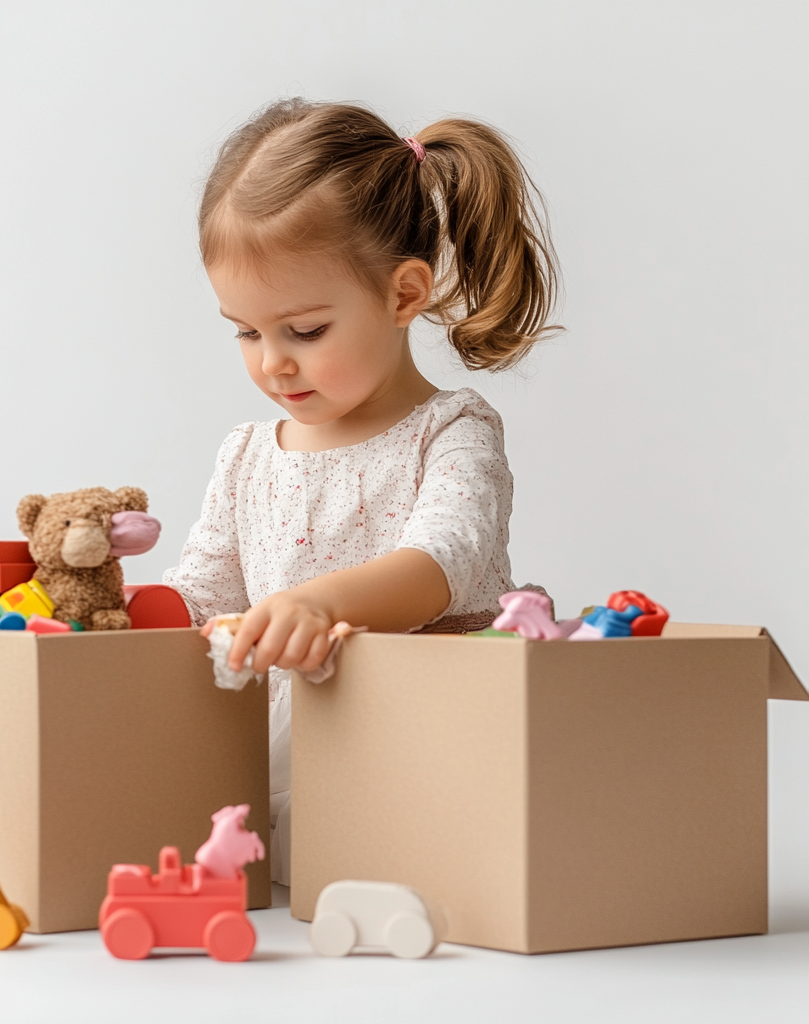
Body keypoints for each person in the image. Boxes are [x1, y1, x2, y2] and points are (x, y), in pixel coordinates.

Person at [163, 98, 560, 884]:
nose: (272, 362)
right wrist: (105, 616)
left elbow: (437, 563)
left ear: (405, 294)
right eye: (245, 331)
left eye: (304, 331)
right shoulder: (246, 454)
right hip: (295, 752)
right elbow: (203, 589)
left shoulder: (451, 432)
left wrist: (318, 602)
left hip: (430, 737)